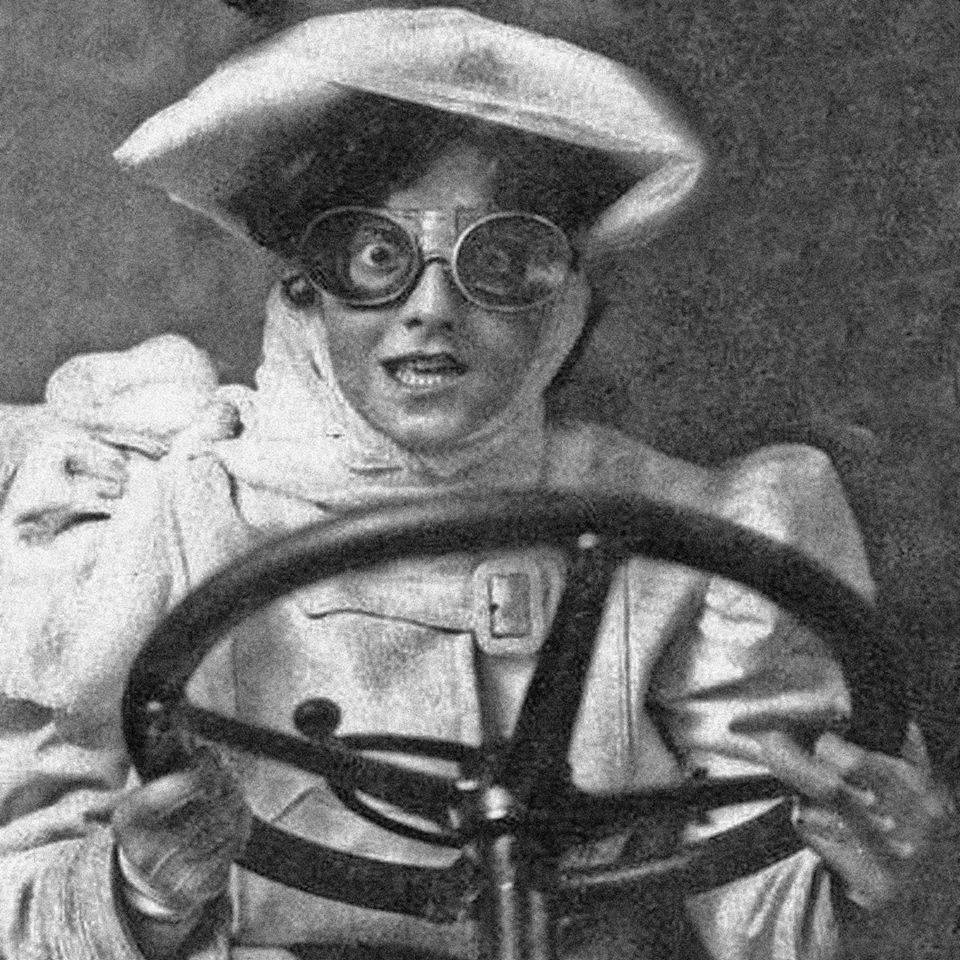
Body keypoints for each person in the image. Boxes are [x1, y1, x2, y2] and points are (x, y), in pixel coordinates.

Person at [0, 8, 951, 960]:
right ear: (305, 288)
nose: (432, 310)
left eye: (498, 263)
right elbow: (23, 890)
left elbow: (768, 905)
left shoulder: (676, 539)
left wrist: (870, 874)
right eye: (376, 257)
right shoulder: (162, 511)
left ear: (563, 301)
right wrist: (141, 896)